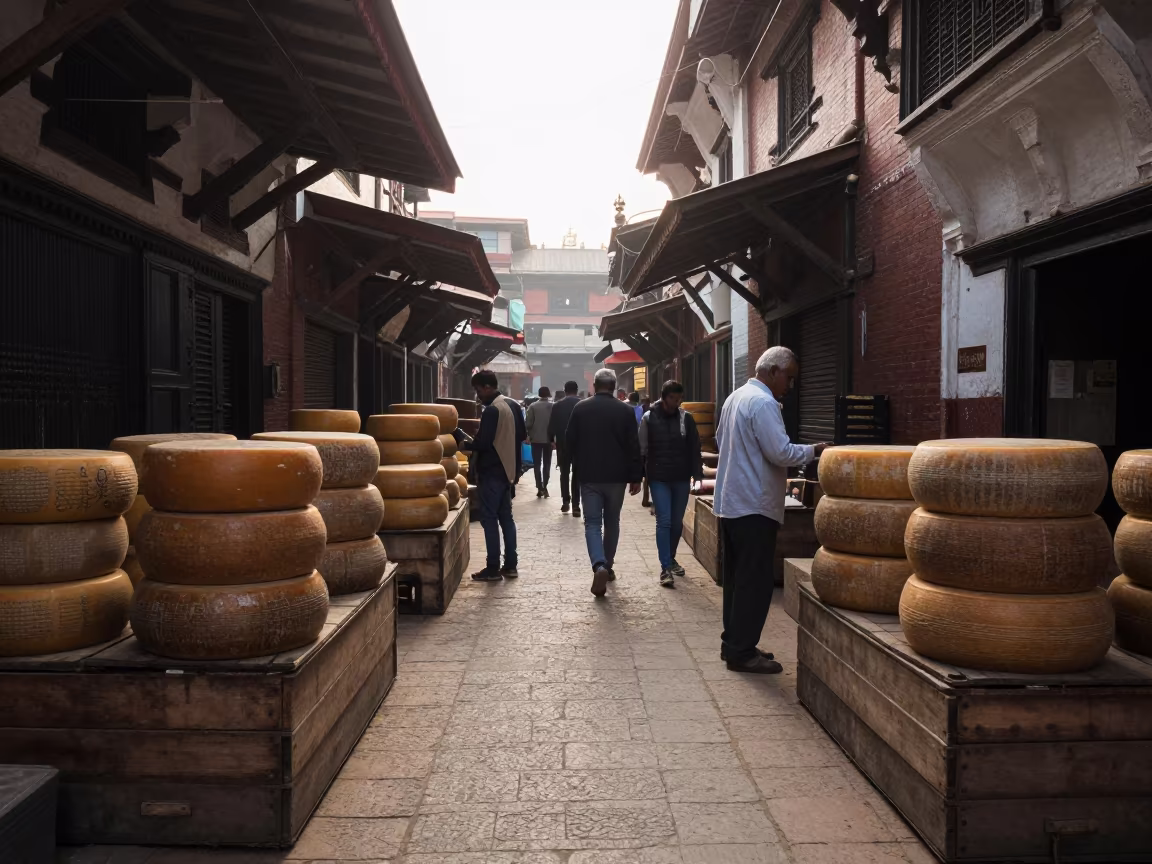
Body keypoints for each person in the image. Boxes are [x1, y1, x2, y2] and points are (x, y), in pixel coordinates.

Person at [713, 347, 830, 673]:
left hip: (733, 503)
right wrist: (815, 450)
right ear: (773, 371)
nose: (790, 386)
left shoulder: (735, 397)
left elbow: (722, 441)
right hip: (754, 506)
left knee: (738, 580)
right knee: (756, 581)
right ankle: (742, 651)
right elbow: (780, 452)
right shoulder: (763, 403)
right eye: (788, 377)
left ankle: (735, 644)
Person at [566, 368, 642, 597]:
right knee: (612, 522)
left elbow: (570, 442)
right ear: (614, 387)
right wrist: (636, 476)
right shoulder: (626, 411)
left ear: (595, 386)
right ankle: (607, 567)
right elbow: (633, 446)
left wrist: (574, 466)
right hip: (617, 477)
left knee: (591, 523)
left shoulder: (581, 408)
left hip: (589, 475)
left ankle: (598, 564)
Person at [458, 369, 527, 582]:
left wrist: (463, 442)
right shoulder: (514, 405)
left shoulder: (492, 410)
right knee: (506, 517)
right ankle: (511, 565)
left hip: (492, 471)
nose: (478, 395)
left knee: (489, 519)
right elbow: (522, 435)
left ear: (487, 387)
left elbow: (483, 444)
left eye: (478, 390)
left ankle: (493, 567)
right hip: (509, 471)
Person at [638, 380, 703, 588]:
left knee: (677, 523)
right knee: (664, 521)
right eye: (673, 399)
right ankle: (665, 568)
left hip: (681, 478)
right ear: (664, 397)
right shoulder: (649, 418)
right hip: (659, 478)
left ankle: (671, 557)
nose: (677, 402)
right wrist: (640, 477)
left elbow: (695, 448)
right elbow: (642, 449)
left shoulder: (687, 418)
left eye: (679, 399)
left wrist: (698, 475)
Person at [548, 380, 582, 515]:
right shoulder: (583, 404)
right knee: (577, 475)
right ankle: (576, 505)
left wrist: (551, 439)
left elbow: (552, 425)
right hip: (580, 445)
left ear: (565, 390)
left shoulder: (557, 406)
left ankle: (565, 501)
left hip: (563, 444)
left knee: (564, 473)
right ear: (577, 390)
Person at [524, 386, 554, 498]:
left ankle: (539, 487)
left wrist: (529, 435)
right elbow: (555, 423)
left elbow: (528, 424)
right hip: (548, 440)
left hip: (535, 440)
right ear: (549, 394)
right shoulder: (553, 406)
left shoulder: (532, 406)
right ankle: (545, 487)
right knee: (547, 464)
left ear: (539, 394)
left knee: (537, 464)